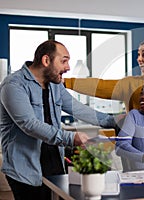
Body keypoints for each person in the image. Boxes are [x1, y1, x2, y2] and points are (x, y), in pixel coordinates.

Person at [0, 40, 117, 200]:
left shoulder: (55, 85)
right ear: (46, 60)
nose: (68, 67)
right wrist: (71, 137)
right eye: (64, 61)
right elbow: (29, 124)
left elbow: (77, 108)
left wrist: (114, 121)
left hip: (54, 162)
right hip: (25, 168)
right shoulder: (14, 85)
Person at [63, 39, 144, 139]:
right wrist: (67, 82)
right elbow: (100, 86)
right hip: (135, 152)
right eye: (138, 55)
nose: (139, 59)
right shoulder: (130, 83)